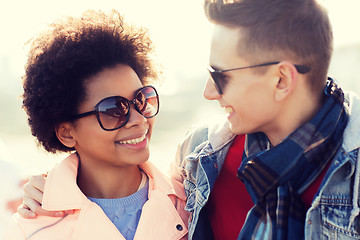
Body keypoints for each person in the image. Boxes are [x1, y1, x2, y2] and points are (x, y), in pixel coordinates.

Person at [17, 0, 360, 239]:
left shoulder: (353, 175)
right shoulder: (200, 158)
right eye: (114, 109)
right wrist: (55, 188)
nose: (209, 92)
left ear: (282, 80)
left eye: (221, 75)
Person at [3, 10, 188, 240]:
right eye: (113, 110)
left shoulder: (191, 202)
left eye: (141, 99)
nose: (139, 119)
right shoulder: (30, 230)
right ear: (67, 133)